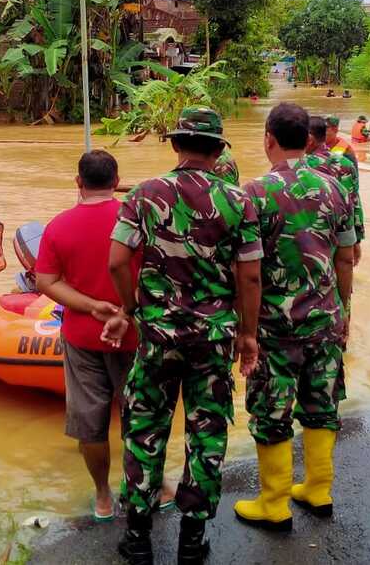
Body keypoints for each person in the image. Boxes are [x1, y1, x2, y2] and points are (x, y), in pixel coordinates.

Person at [103, 107, 262, 565]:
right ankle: (192, 541)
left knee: (144, 429)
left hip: (158, 337)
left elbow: (117, 260)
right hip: (212, 341)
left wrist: (131, 308)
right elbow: (249, 278)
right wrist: (247, 336)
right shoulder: (238, 200)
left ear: (176, 145)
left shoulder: (145, 194)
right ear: (218, 150)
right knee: (207, 433)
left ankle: (137, 539)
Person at [234, 103, 356, 532]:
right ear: (308, 139)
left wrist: (245, 331)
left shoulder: (254, 193)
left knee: (272, 410)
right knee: (322, 405)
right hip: (326, 320)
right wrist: (344, 312)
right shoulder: (335, 188)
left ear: (268, 137)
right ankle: (318, 489)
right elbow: (346, 258)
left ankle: (274, 502)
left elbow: (246, 271)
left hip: (274, 327)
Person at [36, 151, 175, 521]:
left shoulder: (58, 226)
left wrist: (91, 306)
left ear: (78, 182)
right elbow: (160, 274)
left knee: (89, 421)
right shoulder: (138, 220)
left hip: (83, 337)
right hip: (135, 333)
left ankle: (102, 495)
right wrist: (124, 311)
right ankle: (152, 484)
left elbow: (46, 281)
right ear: (117, 181)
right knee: (142, 412)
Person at [305, 116, 364, 264]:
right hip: (340, 230)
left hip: (311, 234)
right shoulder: (346, 163)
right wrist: (356, 238)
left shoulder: (300, 165)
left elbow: (353, 197)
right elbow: (353, 200)